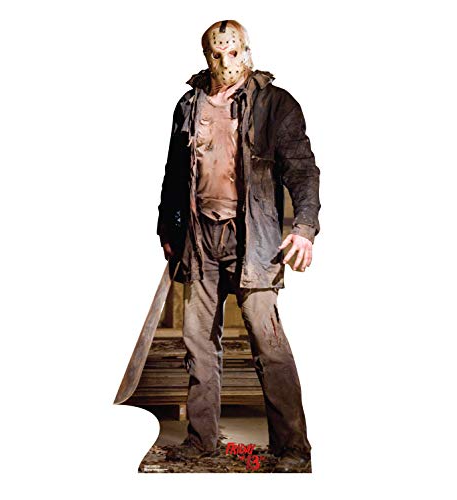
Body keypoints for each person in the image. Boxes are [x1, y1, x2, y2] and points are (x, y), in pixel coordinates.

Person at [157, 20, 320, 473]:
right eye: (216, 53)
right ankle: (201, 442)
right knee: (197, 342)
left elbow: (302, 169)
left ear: (247, 50)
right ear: (205, 55)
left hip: (254, 238)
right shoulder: (189, 105)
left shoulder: (275, 104)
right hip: (200, 238)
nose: (226, 61)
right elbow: (174, 173)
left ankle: (292, 448)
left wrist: (304, 228)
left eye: (233, 52)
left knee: (268, 343)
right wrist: (167, 228)